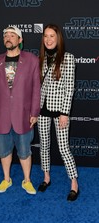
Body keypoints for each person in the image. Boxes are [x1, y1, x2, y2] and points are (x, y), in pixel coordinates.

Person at [0, 25, 40, 195]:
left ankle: (27, 181)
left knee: (25, 152)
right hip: (1, 115)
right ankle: (6, 179)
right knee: (3, 151)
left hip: (23, 115)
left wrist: (34, 112)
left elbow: (36, 90)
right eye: (5, 35)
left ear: (20, 40)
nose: (8, 38)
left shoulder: (32, 60)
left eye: (12, 35)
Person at [37, 24, 79, 201]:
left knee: (63, 148)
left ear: (58, 38)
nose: (48, 39)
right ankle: (46, 177)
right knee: (44, 146)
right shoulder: (42, 58)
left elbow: (69, 88)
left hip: (60, 110)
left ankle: (74, 183)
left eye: (52, 36)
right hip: (42, 110)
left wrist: (64, 112)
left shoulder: (68, 58)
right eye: (45, 36)